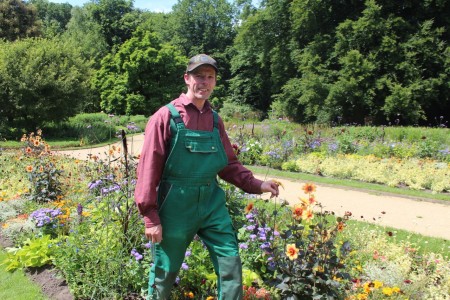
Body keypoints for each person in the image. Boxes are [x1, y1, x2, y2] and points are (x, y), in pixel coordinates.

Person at [134, 53, 279, 300]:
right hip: (175, 204)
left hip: (211, 203)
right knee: (165, 270)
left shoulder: (214, 120)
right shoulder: (166, 117)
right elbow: (148, 169)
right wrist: (150, 216)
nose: (205, 81)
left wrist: (257, 184)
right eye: (199, 76)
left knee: (229, 260)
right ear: (187, 79)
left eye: (210, 77)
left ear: (215, 82)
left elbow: (228, 164)